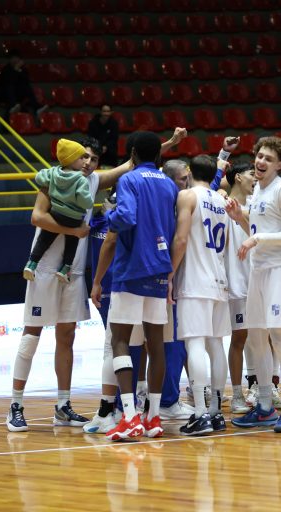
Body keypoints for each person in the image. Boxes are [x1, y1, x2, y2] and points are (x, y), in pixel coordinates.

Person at [6, 138, 133, 432]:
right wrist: (73, 231)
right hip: (44, 269)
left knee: (67, 337)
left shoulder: (93, 181)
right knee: (31, 336)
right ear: (73, 158)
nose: (88, 163)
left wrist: (170, 142)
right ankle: (15, 405)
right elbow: (37, 217)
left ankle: (63, 406)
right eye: (84, 157)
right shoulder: (53, 179)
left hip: (72, 272)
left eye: (93, 159)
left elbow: (131, 164)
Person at [226, 136, 281, 434]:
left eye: (268, 159)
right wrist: (240, 218)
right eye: (259, 156)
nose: (260, 162)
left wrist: (258, 238)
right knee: (256, 338)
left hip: (280, 272)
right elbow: (258, 228)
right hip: (259, 270)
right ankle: (264, 406)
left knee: (279, 338)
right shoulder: (259, 189)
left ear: (280, 164)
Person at [104, 131, 179, 442]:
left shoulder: (129, 180)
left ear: (132, 153)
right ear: (158, 155)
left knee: (120, 340)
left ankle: (130, 416)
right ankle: (154, 417)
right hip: (160, 268)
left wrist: (106, 216)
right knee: (155, 343)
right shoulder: (170, 184)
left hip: (133, 267)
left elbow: (125, 217)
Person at [170, 154, 231, 435]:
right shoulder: (222, 200)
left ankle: (200, 413)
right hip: (219, 279)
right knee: (216, 345)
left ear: (190, 172)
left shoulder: (187, 196)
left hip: (195, 280)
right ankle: (216, 412)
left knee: (194, 344)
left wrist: (170, 274)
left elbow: (181, 238)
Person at [23, 139, 96, 283]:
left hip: (56, 214)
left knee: (44, 238)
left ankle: (31, 263)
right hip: (73, 218)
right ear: (72, 160)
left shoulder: (53, 172)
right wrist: (89, 202)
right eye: (81, 158)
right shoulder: (80, 179)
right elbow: (85, 201)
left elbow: (39, 177)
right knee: (72, 242)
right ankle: (65, 269)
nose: (84, 161)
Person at [223, 163, 258, 414]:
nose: (256, 179)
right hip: (235, 281)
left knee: (261, 338)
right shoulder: (222, 206)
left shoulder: (256, 205)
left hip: (258, 280)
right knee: (239, 337)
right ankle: (236, 394)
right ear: (237, 177)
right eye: (251, 174)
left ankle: (260, 388)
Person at [0, 50, 47, 116]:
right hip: (4, 94)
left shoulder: (23, 69)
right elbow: (8, 82)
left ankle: (37, 108)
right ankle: (13, 105)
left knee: (27, 87)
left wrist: (18, 70)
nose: (14, 60)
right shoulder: (6, 69)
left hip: (18, 94)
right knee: (10, 86)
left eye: (16, 58)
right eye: (12, 58)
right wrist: (15, 70)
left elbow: (26, 80)